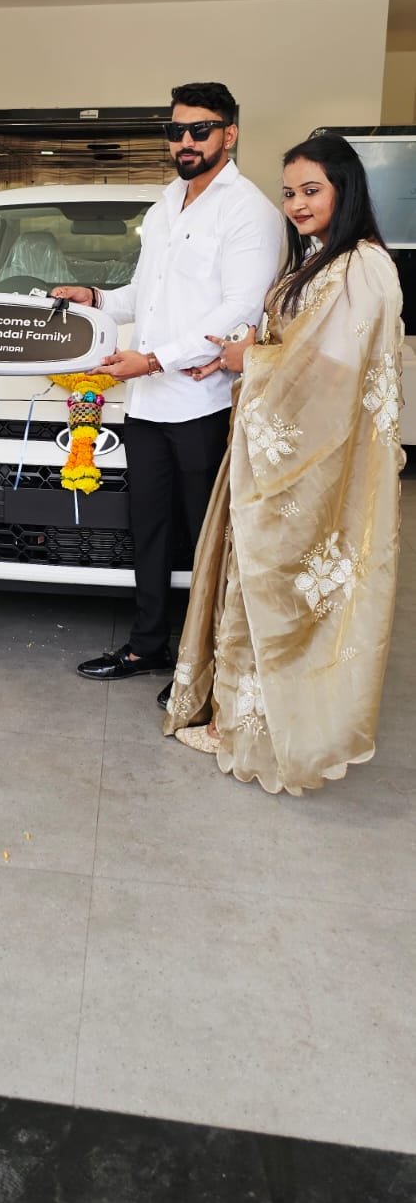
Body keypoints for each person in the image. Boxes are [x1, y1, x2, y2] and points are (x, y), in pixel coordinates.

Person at [163, 134, 403, 794]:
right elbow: (301, 344)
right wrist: (254, 347)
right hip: (275, 454)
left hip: (311, 461)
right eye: (290, 192)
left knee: (285, 595)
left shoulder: (362, 265)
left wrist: (254, 359)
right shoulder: (322, 259)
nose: (297, 204)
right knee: (258, 584)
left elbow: (335, 371)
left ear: (345, 189)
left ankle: (273, 733)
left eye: (312, 190)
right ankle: (238, 720)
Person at [53, 81, 283, 698]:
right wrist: (97, 297)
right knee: (148, 529)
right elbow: (147, 294)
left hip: (204, 404)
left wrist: (154, 359)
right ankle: (147, 645)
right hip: (148, 404)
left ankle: (207, 665)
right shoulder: (164, 206)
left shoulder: (249, 211)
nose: (186, 141)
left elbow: (239, 309)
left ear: (229, 134)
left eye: (199, 130)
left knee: (206, 540)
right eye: (175, 130)